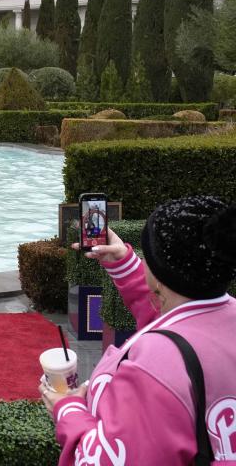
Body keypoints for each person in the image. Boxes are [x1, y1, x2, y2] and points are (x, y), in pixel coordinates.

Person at [40, 196, 236, 465]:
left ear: (159, 275)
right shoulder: (221, 318)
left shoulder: (155, 367)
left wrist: (68, 409)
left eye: (147, 258)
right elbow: (180, 324)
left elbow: (109, 459)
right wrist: (124, 264)